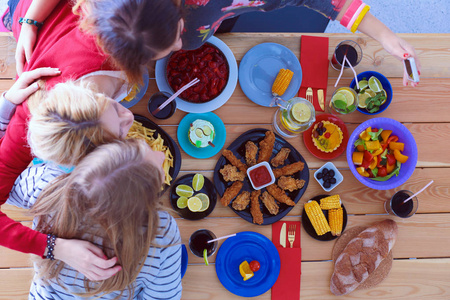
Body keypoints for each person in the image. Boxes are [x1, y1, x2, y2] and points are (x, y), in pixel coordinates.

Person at [7, 139, 182, 299]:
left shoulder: (46, 184)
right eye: (157, 171)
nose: (161, 155)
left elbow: (5, 185)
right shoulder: (161, 230)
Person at [1, 71, 134, 280]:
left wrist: (5, 108)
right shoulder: (27, 161)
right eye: (120, 129)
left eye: (112, 105)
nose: (130, 116)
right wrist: (56, 248)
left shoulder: (63, 89)